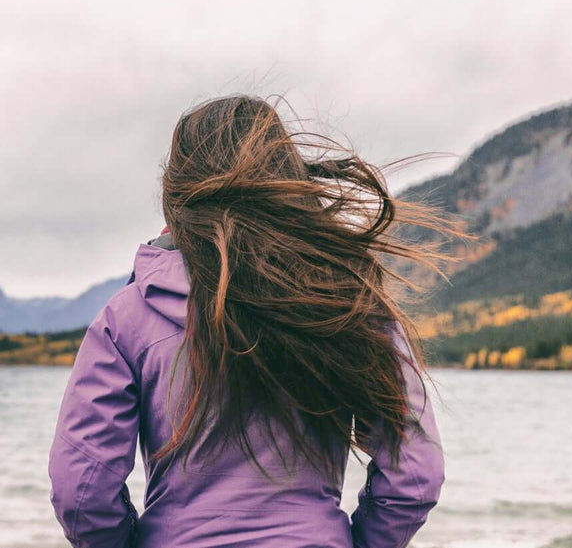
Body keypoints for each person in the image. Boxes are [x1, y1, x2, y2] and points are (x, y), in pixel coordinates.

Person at [47, 95, 474, 547]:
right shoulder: (349, 303)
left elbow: (81, 490)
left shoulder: (127, 317)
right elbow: (415, 476)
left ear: (177, 193)